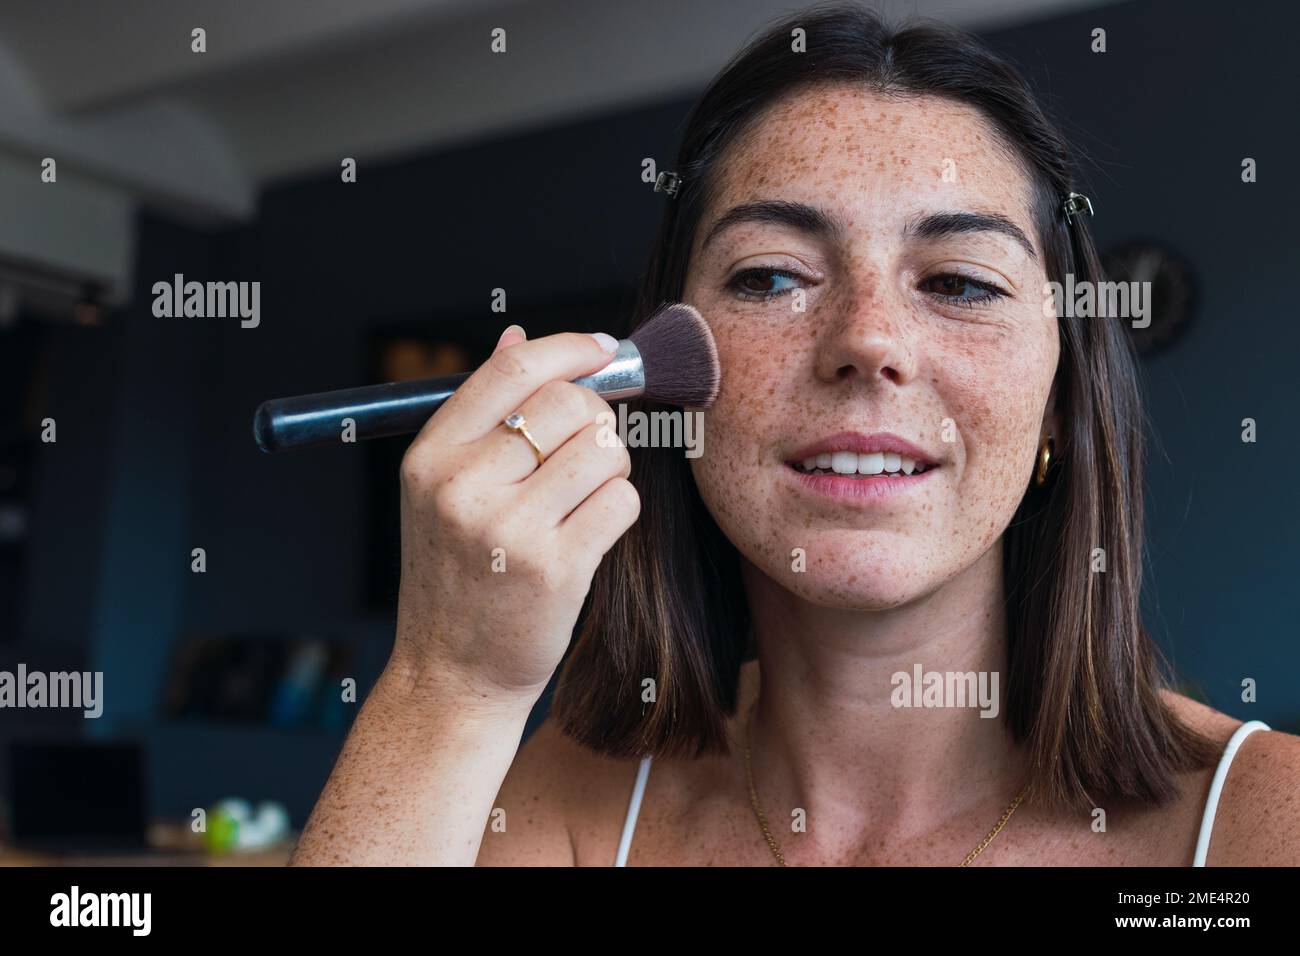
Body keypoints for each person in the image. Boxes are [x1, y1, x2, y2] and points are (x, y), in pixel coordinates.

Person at [290, 4, 1299, 867]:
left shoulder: (1258, 821)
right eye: (770, 276)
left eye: (957, 281)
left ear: (1059, 404)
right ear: (663, 377)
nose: (867, 340)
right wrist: (447, 686)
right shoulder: (571, 803)